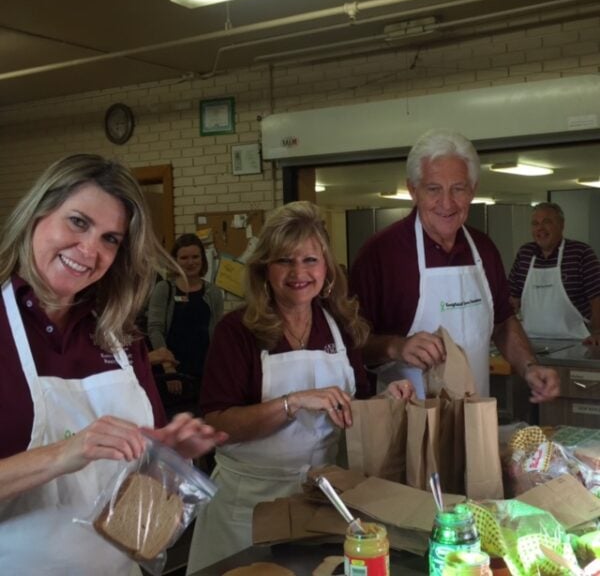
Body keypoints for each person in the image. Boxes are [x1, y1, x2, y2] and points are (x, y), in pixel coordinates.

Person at [0, 154, 227, 575]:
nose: (89, 251)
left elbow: (136, 487)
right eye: (78, 222)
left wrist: (169, 457)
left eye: (111, 239)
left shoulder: (119, 336)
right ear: (37, 215)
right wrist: (63, 454)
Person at [186, 201, 413, 572]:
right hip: (249, 506)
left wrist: (385, 400)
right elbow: (218, 425)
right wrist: (291, 403)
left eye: (310, 260)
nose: (298, 273)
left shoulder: (339, 327)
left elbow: (349, 406)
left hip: (318, 500)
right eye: (284, 261)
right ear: (264, 269)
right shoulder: (238, 331)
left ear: (326, 267)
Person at [350, 129, 560, 402]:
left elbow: (503, 323)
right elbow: (350, 345)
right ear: (413, 190)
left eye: (458, 189)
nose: (447, 203)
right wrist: (395, 346)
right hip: (406, 427)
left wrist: (530, 367)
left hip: (474, 421)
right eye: (433, 189)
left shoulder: (483, 248)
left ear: (472, 191)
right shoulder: (379, 254)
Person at [146, 233, 224, 409]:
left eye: (195, 257)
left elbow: (219, 332)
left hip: (205, 373)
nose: (190, 262)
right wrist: (169, 368)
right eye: (184, 258)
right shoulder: (164, 289)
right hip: (172, 373)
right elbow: (155, 329)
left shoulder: (213, 292)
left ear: (203, 259)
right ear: (175, 261)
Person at [509, 202, 600, 345]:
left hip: (578, 342)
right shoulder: (525, 253)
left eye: (547, 222)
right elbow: (512, 301)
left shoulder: (580, 253)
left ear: (561, 225)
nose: (540, 228)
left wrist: (597, 333)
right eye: (535, 223)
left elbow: (597, 298)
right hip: (531, 344)